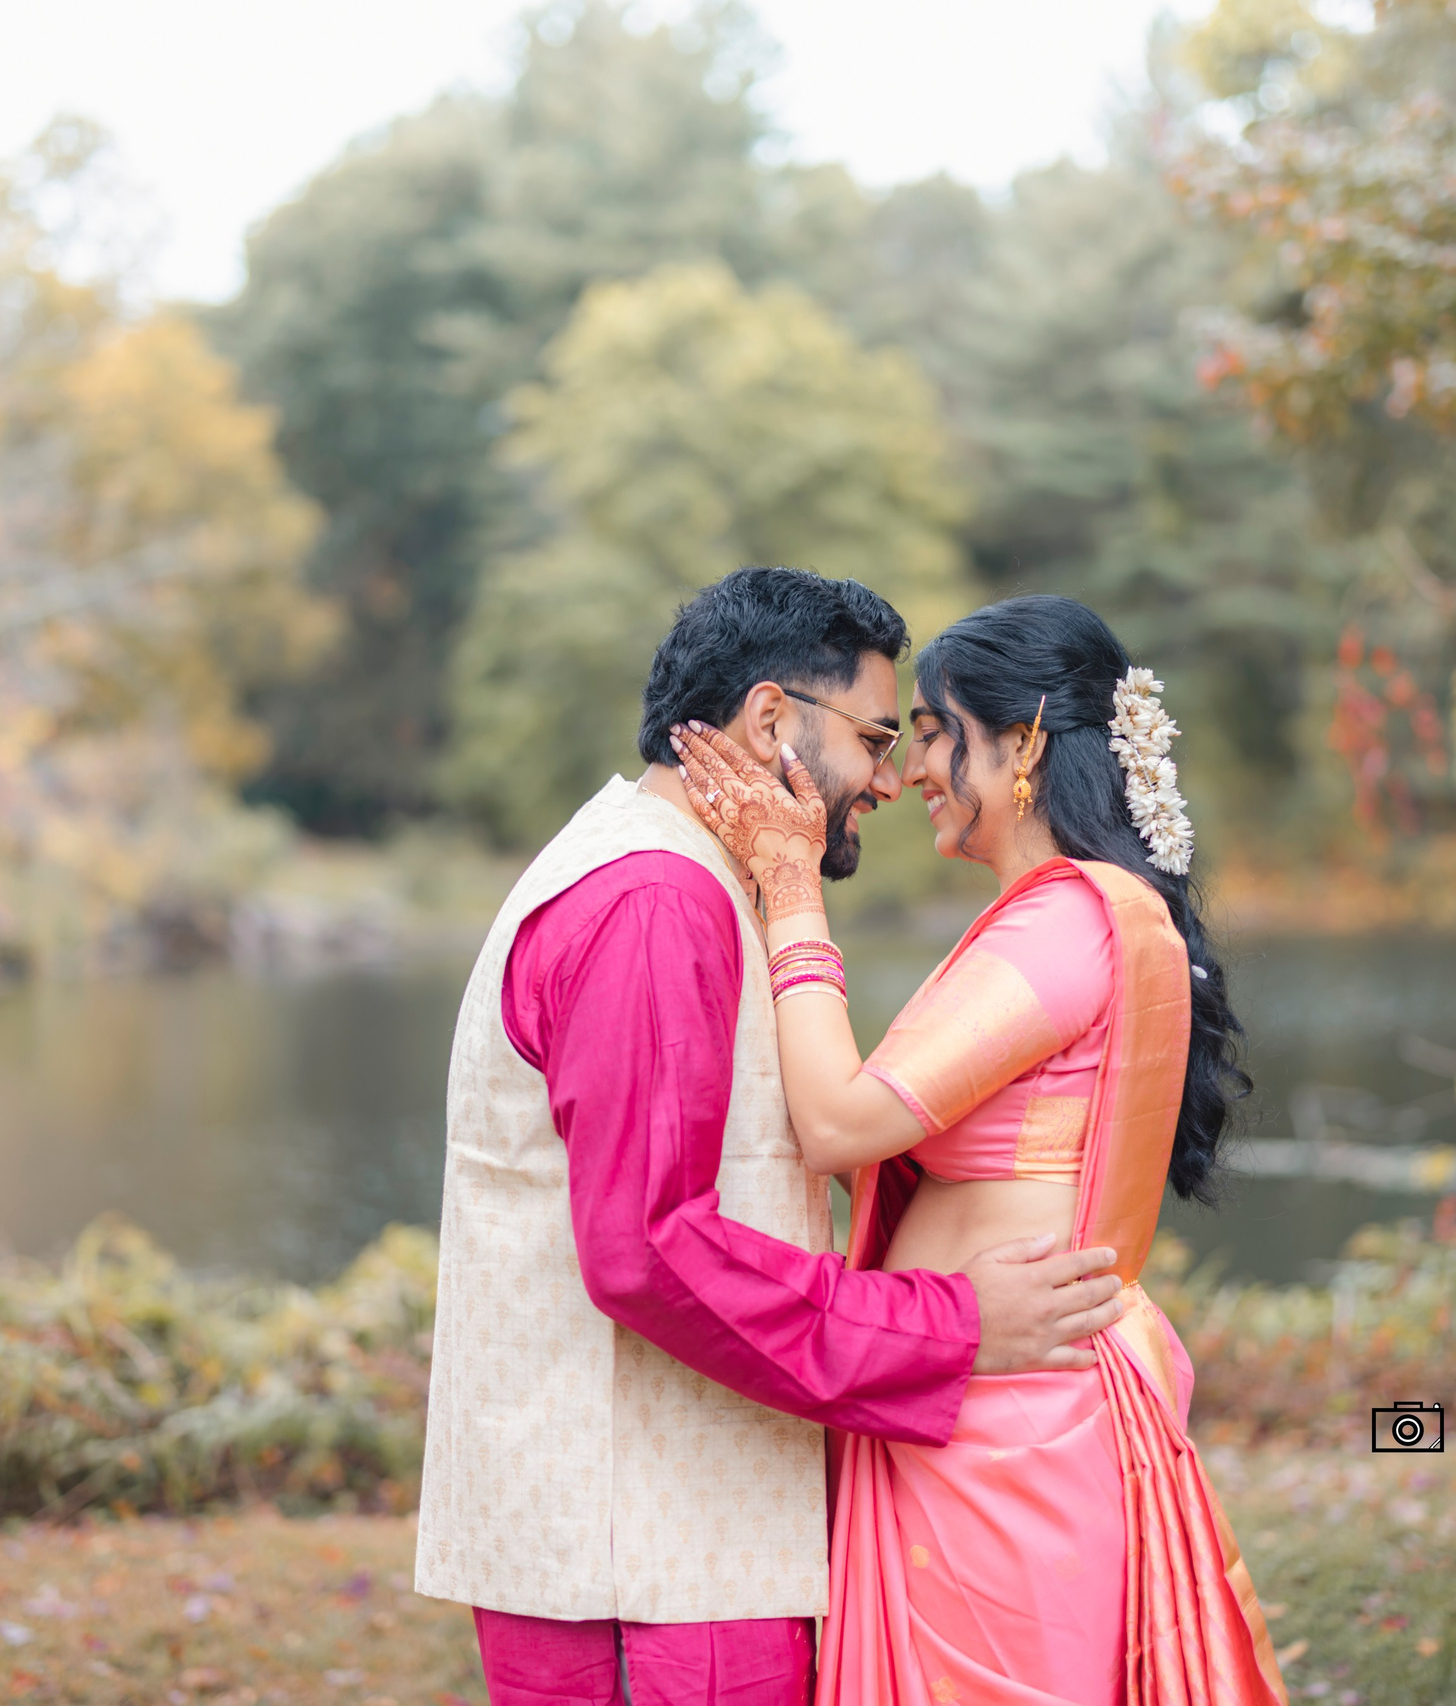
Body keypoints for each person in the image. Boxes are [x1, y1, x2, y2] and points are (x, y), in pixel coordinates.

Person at [414, 568, 1131, 1706]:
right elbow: (645, 1248)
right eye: (877, 736)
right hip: (646, 1557)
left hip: (657, 1535)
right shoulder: (654, 898)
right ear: (767, 719)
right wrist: (948, 1321)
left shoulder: (675, 873)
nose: (893, 779)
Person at [672, 594, 1290, 1706]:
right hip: (975, 1390)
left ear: (1022, 742)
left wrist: (790, 883)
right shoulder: (1064, 914)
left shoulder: (1066, 922)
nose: (909, 771)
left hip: (1007, 1416)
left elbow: (842, 1124)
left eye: (933, 730)